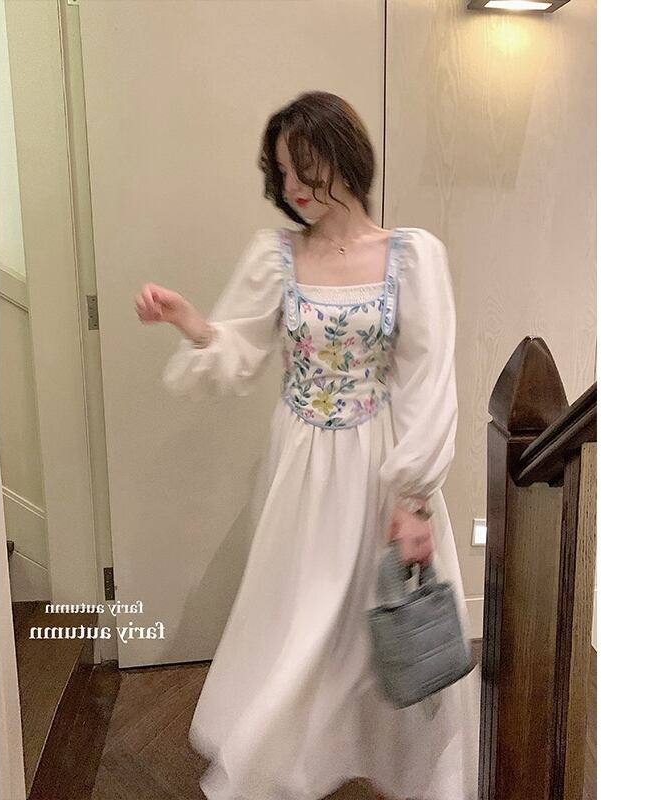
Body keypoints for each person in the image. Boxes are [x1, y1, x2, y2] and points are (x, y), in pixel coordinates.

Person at [135, 91, 481, 800]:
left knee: (376, 629)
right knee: (302, 628)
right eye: (282, 172)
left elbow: (429, 379)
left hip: (383, 473)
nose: (292, 185)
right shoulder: (277, 257)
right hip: (300, 472)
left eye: (305, 166)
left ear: (344, 156)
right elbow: (237, 351)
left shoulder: (412, 258)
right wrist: (191, 322)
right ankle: (278, 768)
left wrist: (414, 497)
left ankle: (396, 765)